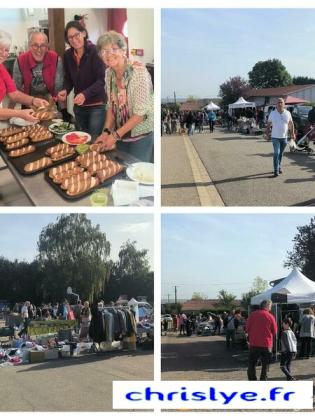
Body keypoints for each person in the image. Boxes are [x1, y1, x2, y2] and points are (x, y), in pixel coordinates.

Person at [95, 31, 154, 162]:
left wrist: (114, 136)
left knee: (137, 173)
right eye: (104, 51)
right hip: (120, 134)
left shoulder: (138, 73)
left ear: (123, 50)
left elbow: (140, 114)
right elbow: (111, 106)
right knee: (120, 168)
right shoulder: (108, 73)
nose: (109, 54)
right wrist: (106, 132)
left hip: (140, 136)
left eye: (113, 49)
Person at [57, 21, 106, 138]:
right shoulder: (68, 55)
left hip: (96, 106)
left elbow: (101, 80)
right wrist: (65, 90)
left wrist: (85, 94)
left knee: (93, 140)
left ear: (83, 33)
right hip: (79, 107)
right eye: (70, 37)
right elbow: (68, 78)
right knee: (80, 139)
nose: (74, 40)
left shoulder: (95, 51)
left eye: (77, 35)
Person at [0, 30, 48, 121]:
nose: (3, 53)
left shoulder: (1, 68)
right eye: (0, 48)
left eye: (6, 50)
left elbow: (14, 93)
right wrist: (20, 113)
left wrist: (34, 100)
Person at [246, 300, 277, 381]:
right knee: (265, 365)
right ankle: (263, 381)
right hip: (266, 344)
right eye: (270, 306)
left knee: (252, 364)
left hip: (254, 343)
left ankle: (253, 381)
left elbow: (247, 328)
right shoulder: (270, 316)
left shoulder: (252, 315)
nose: (270, 308)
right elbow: (274, 331)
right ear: (266, 306)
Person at [266, 98, 296, 177]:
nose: (279, 104)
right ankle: (276, 170)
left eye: (281, 102)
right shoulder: (272, 113)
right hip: (275, 137)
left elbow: (291, 124)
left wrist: (292, 133)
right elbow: (268, 125)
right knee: (276, 153)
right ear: (276, 104)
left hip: (284, 138)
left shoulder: (287, 113)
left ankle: (279, 167)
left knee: (281, 154)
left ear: (284, 104)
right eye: (278, 102)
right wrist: (267, 134)